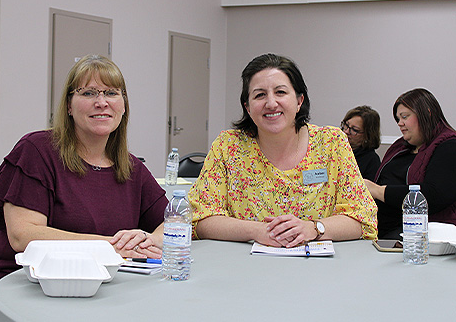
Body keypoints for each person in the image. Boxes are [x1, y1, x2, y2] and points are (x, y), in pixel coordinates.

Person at [0, 55, 167, 322]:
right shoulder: (36, 151)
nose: (101, 102)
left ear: (124, 105)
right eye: (89, 92)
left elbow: (175, 222)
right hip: (11, 295)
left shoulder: (130, 168)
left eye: (111, 93)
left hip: (95, 300)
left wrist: (148, 241)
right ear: (69, 105)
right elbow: (24, 235)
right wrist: (112, 246)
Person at [188, 53, 377, 249]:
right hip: (244, 268)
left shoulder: (332, 144)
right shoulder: (228, 147)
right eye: (260, 95)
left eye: (280, 92)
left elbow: (363, 219)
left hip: (319, 270)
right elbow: (200, 220)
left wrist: (314, 228)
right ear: (248, 107)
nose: (271, 103)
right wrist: (258, 231)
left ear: (299, 101)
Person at [365, 88, 456, 239]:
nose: (400, 123)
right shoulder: (399, 147)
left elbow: (433, 195)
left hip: (416, 233)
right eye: (398, 119)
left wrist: (378, 191)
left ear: (427, 113)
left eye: (405, 116)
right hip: (379, 226)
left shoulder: (449, 146)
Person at [340, 105, 381, 181]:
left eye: (354, 130)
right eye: (346, 125)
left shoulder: (371, 161)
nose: (346, 131)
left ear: (367, 135)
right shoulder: (335, 149)